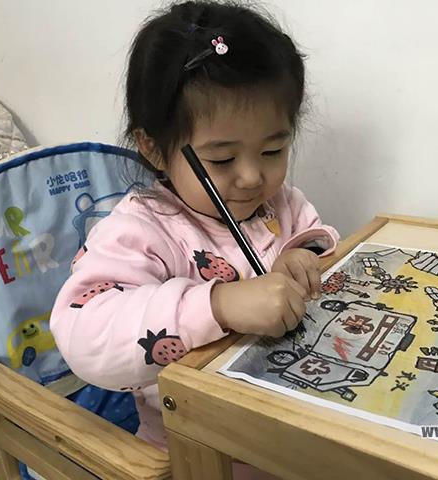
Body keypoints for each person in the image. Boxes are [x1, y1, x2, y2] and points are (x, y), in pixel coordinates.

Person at [50, 1, 339, 476]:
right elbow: (82, 330)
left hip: (293, 429)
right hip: (194, 452)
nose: (252, 177)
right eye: (222, 160)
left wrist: (302, 255)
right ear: (153, 148)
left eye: (273, 150)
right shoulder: (141, 228)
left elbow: (312, 229)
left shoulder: (278, 202)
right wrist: (217, 305)